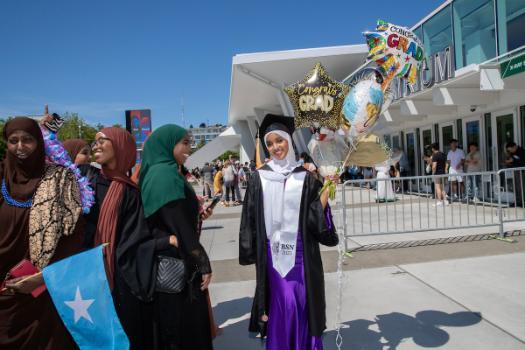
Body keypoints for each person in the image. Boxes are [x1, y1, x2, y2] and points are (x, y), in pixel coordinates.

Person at [239, 116, 338, 350]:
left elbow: (314, 216)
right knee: (286, 301)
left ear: (288, 141)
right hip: (274, 255)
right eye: (270, 144)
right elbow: (250, 218)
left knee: (304, 303)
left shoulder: (304, 177)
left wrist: (328, 188)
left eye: (279, 141)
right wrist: (251, 249)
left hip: (302, 255)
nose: (275, 147)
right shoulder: (259, 178)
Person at [0, 117, 84, 349]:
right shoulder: (1, 176)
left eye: (27, 139)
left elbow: (73, 234)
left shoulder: (60, 178)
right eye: (13, 140)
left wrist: (44, 277)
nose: (20, 146)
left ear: (39, 142)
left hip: (42, 288)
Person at [139, 124, 213, 350]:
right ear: (168, 144)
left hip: (169, 261)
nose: (188, 149)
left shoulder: (162, 171)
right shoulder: (165, 176)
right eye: (184, 143)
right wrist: (203, 263)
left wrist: (198, 214)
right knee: (184, 330)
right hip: (177, 266)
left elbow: (172, 217)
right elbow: (180, 228)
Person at [85, 127, 159, 349]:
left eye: (102, 141)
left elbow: (134, 242)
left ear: (120, 146)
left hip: (119, 285)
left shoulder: (130, 193)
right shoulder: (86, 184)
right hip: (85, 280)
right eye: (94, 142)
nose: (95, 145)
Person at [505, 141, 525, 206]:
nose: (511, 151)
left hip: (521, 171)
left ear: (514, 146)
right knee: (516, 187)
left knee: (521, 186)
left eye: (511, 150)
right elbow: (511, 161)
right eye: (509, 150)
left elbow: (522, 161)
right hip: (515, 170)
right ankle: (518, 201)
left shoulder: (522, 151)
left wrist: (513, 160)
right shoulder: (512, 153)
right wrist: (509, 162)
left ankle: (523, 201)